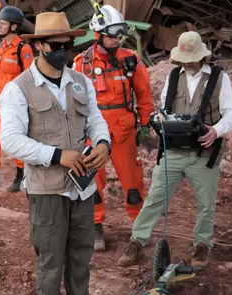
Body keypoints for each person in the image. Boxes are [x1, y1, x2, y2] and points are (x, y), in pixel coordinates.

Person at [0, 12, 111, 295]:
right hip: (47, 189)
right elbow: (11, 140)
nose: (64, 51)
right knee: (51, 257)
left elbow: (96, 119)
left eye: (68, 44)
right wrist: (55, 154)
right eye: (57, 46)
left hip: (83, 187)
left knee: (81, 251)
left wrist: (103, 143)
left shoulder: (80, 81)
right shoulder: (17, 90)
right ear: (39, 47)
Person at [117, 31, 232, 269]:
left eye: (192, 57)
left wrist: (215, 130)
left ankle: (202, 245)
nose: (189, 62)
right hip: (173, 152)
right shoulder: (173, 76)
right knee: (154, 198)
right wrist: (159, 121)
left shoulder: (219, 78)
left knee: (206, 203)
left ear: (202, 55)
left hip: (203, 155)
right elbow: (165, 108)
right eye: (185, 59)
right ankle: (137, 241)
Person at [72, 5, 153, 252]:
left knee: (133, 187)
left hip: (124, 132)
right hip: (92, 134)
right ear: (97, 34)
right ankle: (95, 227)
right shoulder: (81, 64)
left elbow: (144, 94)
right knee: (91, 184)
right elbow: (73, 101)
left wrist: (146, 125)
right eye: (111, 35)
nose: (116, 40)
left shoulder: (130, 59)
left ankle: (139, 230)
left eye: (119, 35)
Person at [0, 6, 35, 192]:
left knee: (16, 137)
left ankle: (21, 177)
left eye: (2, 23)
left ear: (13, 26)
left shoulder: (23, 48)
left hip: (15, 101)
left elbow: (30, 77)